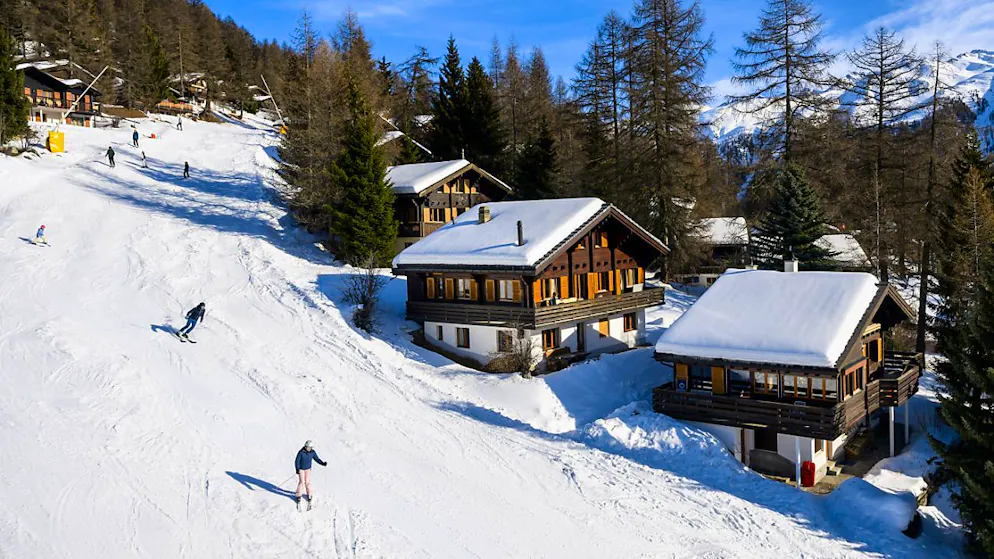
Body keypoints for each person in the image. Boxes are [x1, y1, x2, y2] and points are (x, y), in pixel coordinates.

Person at [294, 440, 327, 505]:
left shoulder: (312, 452)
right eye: (307, 447)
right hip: (301, 469)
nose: (308, 449)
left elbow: (317, 459)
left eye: (310, 448)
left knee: (307, 482)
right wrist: (297, 469)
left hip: (308, 469)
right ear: (305, 446)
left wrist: (322, 463)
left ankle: (309, 494)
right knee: (302, 482)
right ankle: (298, 495)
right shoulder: (301, 452)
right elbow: (297, 461)